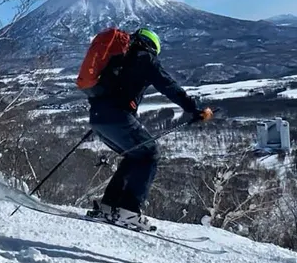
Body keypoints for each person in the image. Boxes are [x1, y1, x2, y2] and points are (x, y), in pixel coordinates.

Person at [86, 27, 213, 231]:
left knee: (135, 156)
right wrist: (193, 109)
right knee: (150, 153)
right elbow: (168, 85)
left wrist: (103, 116)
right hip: (116, 117)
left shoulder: (118, 57)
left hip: (97, 117)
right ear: (153, 47)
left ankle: (108, 207)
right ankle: (129, 211)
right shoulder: (145, 58)